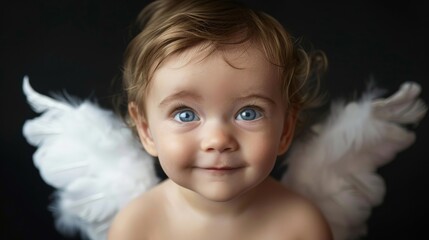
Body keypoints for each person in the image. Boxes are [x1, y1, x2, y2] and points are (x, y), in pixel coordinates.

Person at [108, 0, 333, 239]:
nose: (218, 140)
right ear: (146, 130)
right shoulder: (137, 226)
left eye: (249, 113)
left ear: (286, 129)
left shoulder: (303, 227)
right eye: (186, 114)